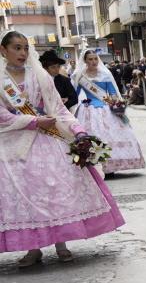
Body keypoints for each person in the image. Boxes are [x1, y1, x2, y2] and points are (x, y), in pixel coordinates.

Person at [0, 30, 125, 266]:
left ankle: (61, 243)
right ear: (3, 50)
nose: (23, 53)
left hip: (48, 139)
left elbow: (58, 108)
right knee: (25, 195)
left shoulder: (40, 76)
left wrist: (78, 130)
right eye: (17, 48)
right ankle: (33, 248)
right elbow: (2, 115)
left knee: (54, 190)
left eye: (25, 48)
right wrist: (33, 121)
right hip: (15, 144)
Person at [72, 49, 146, 173]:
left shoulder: (105, 74)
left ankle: (111, 165)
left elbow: (112, 93)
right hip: (89, 109)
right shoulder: (80, 76)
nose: (94, 61)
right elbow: (75, 95)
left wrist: (117, 104)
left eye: (95, 58)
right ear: (85, 61)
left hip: (106, 107)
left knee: (112, 134)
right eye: (90, 59)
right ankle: (94, 164)